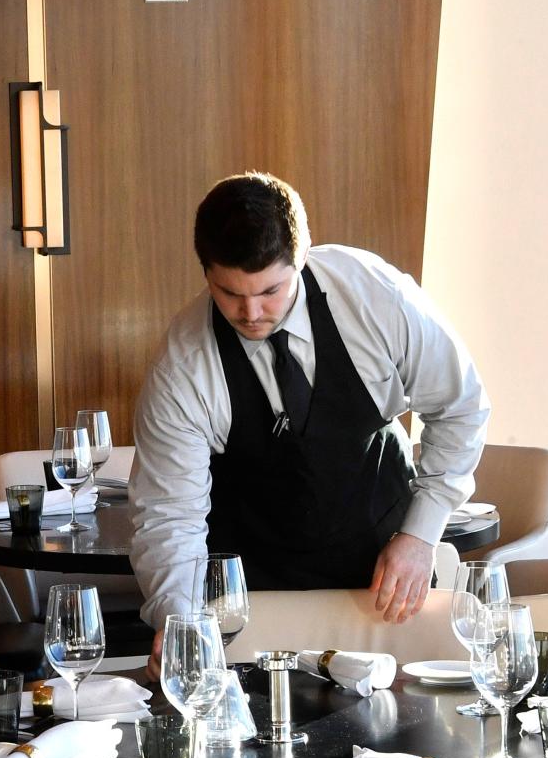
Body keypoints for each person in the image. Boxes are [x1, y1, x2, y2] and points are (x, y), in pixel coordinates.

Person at [130, 171, 489, 658]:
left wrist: (420, 534)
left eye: (270, 290)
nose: (252, 312)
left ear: (301, 256)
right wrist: (181, 624)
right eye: (230, 294)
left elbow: (460, 405)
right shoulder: (183, 366)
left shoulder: (373, 296)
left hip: (383, 561)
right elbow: (169, 517)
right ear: (206, 273)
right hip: (254, 587)